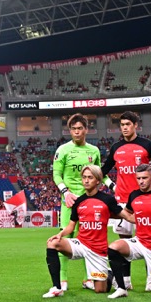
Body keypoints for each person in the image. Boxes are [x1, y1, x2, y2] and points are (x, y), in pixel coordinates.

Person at [100, 111, 151, 291]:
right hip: (122, 202)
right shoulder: (116, 148)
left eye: (128, 124)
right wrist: (108, 185)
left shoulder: (147, 145)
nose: (125, 128)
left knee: (149, 240)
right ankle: (126, 280)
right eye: (122, 125)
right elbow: (104, 169)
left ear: (136, 125)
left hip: (144, 201)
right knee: (124, 241)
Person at [43, 165, 126, 298]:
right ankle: (56, 288)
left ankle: (109, 274)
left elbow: (123, 215)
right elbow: (71, 226)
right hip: (81, 243)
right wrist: (60, 234)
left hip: (98, 249)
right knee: (53, 243)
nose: (86, 180)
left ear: (98, 181)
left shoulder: (107, 200)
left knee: (100, 290)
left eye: (90, 177)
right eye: (84, 177)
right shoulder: (79, 201)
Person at [107, 163, 151, 299]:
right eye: (139, 178)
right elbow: (127, 213)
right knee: (114, 247)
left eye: (144, 178)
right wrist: (109, 213)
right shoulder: (134, 196)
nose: (141, 181)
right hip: (140, 242)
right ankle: (121, 287)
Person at [52, 114, 102, 291]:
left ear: (86, 130)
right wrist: (65, 192)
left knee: (89, 239)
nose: (77, 132)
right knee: (64, 237)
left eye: (80, 128)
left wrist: (112, 187)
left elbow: (98, 175)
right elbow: (56, 174)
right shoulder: (63, 150)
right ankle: (63, 279)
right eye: (73, 129)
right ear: (69, 130)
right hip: (68, 200)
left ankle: (88, 278)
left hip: (88, 201)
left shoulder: (94, 151)